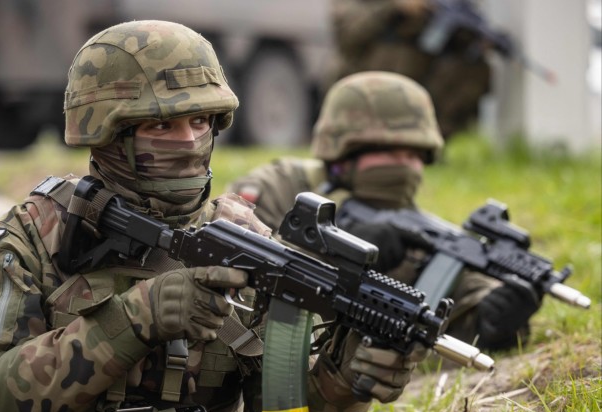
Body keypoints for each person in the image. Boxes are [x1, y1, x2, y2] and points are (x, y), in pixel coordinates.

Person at [0, 21, 427, 412]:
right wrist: (136, 318)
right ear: (106, 133)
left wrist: (343, 384)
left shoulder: (251, 250)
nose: (189, 142)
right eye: (160, 125)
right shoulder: (35, 237)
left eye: (200, 122)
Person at [228, 71, 542, 352]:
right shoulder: (278, 187)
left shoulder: (417, 230)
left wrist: (492, 319)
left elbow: (450, 300)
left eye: (414, 154)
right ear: (342, 154)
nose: (404, 166)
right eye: (388, 152)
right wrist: (331, 255)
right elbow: (229, 257)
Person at [328, 0, 493, 140]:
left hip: (422, 79)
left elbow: (456, 39)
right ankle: (367, 140)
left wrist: (473, 39)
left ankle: (427, 141)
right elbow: (348, 36)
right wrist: (394, 8)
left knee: (473, 67)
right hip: (369, 80)